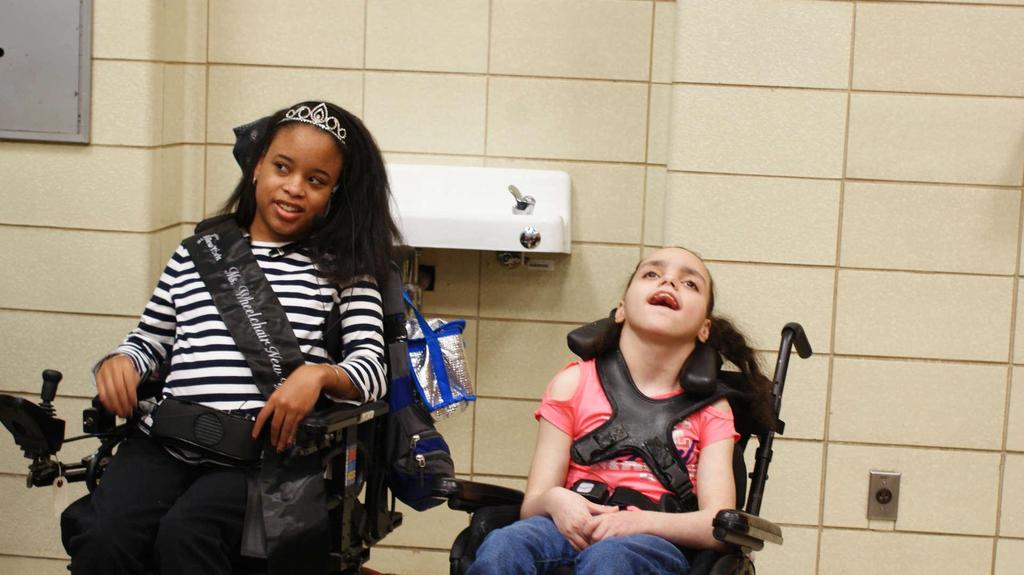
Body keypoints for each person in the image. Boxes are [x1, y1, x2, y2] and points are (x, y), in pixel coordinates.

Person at [61, 101, 401, 575]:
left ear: (333, 193)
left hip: (261, 459)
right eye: (282, 168)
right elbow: (148, 342)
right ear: (257, 165)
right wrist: (120, 362)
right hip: (165, 441)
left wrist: (319, 375)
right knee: (104, 535)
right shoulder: (196, 254)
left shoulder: (345, 269)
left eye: (316, 180)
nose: (294, 188)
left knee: (187, 534)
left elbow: (372, 371)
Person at [467, 247, 775, 575]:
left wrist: (637, 523)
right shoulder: (572, 383)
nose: (669, 281)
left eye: (690, 284)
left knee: (610, 559)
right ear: (621, 310)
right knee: (504, 545)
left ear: (704, 329)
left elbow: (716, 525)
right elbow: (534, 503)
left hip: (651, 541)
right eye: (652, 274)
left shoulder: (711, 409)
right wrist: (556, 500)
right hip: (568, 524)